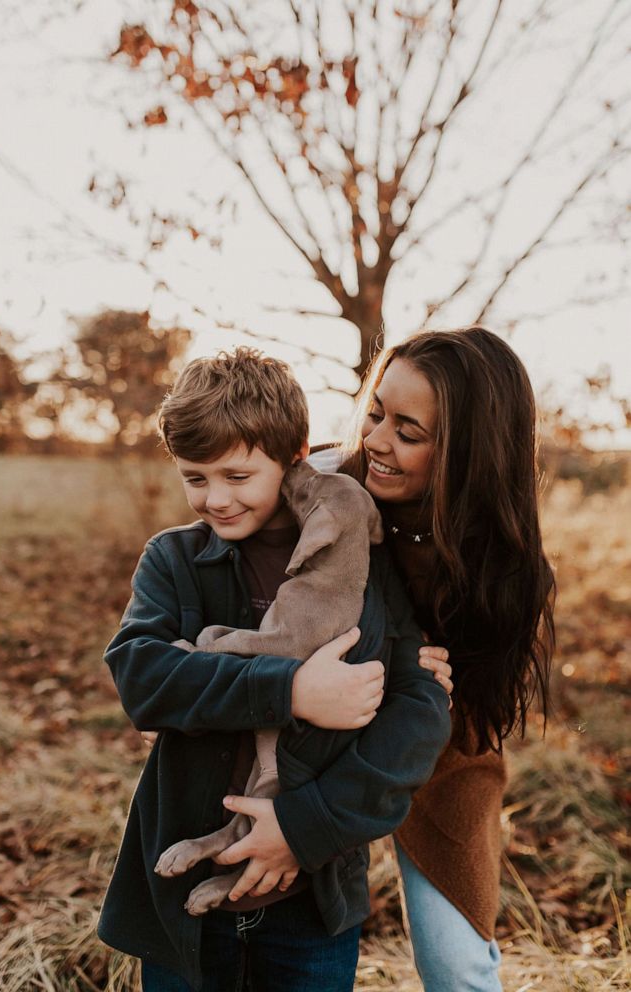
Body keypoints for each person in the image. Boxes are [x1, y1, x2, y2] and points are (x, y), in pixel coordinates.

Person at [97, 347, 453, 992]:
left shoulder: (359, 562)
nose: (215, 499)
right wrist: (290, 690)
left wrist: (307, 825)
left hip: (314, 892)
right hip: (181, 889)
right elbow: (141, 674)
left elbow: (416, 709)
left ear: (294, 460)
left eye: (237, 476)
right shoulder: (174, 561)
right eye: (194, 477)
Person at [312, 325, 555, 992]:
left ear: (468, 451)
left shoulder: (504, 568)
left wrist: (420, 697)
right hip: (312, 725)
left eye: (408, 431)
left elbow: (468, 710)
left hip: (443, 753)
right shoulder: (323, 486)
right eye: (376, 413)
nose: (376, 440)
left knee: (454, 966)